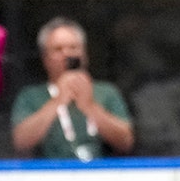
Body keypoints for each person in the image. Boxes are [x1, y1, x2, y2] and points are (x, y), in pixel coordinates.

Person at [10, 17, 134, 160]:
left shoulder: (106, 92)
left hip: (100, 173)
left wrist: (90, 106)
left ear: (84, 54)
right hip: (48, 174)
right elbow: (21, 142)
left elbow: (126, 142)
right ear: (45, 58)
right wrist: (57, 101)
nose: (67, 54)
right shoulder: (30, 96)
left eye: (73, 48)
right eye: (58, 49)